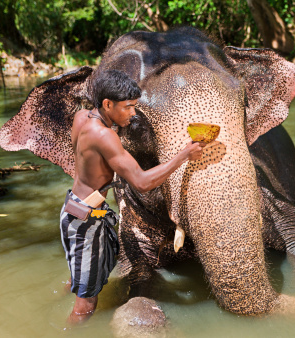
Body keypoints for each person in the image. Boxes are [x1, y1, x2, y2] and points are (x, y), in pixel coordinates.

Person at [60, 69, 205, 324]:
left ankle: (66, 291)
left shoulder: (82, 117)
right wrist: (183, 155)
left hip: (75, 207)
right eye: (127, 107)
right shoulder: (106, 136)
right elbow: (142, 182)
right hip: (85, 222)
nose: (133, 113)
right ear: (108, 104)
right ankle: (72, 327)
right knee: (86, 303)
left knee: (80, 277)